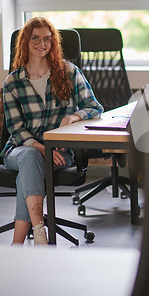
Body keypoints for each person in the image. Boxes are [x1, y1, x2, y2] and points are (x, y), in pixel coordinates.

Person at [1, 17, 103, 245]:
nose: (41, 43)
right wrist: (42, 148)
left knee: (27, 176)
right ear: (25, 42)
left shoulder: (69, 72)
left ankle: (18, 245)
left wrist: (72, 117)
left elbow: (94, 107)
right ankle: (39, 231)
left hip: (60, 152)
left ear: (53, 43)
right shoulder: (12, 83)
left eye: (47, 39)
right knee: (31, 156)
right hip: (20, 151)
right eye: (35, 38)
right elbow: (16, 130)